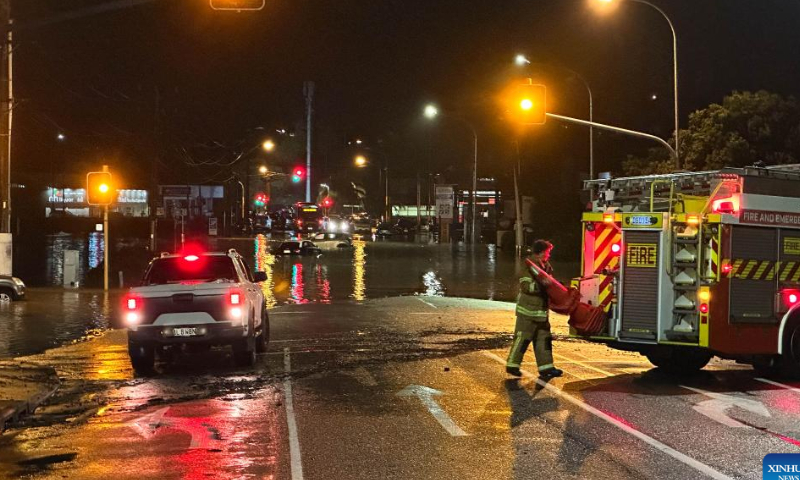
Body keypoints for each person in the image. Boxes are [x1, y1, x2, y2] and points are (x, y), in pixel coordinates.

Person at [506, 239, 563, 379]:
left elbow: (549, 283)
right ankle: (512, 365)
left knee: (544, 340)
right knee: (522, 339)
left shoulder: (546, 266)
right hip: (528, 312)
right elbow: (526, 286)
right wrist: (544, 286)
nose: (548, 255)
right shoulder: (528, 266)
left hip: (541, 312)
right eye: (547, 252)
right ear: (540, 252)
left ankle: (546, 368)